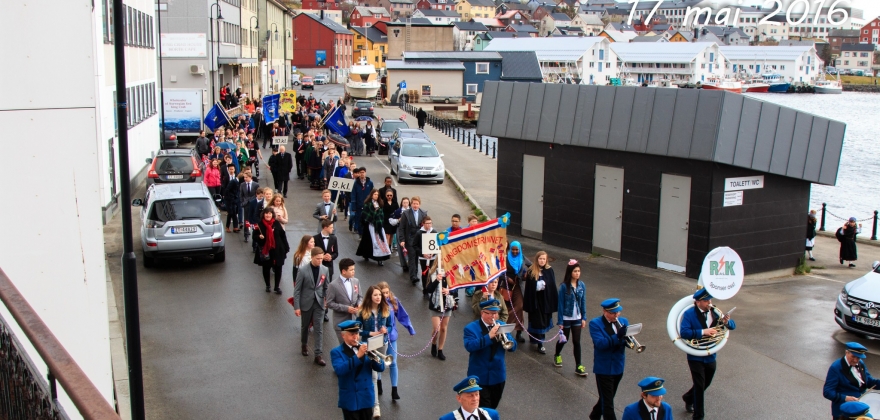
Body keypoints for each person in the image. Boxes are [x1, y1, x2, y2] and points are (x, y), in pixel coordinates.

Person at [680, 289, 737, 420]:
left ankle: (688, 397)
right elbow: (684, 332)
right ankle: (698, 416)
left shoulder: (715, 312)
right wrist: (703, 332)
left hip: (711, 354)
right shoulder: (689, 314)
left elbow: (732, 327)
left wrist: (727, 322)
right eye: (706, 301)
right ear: (698, 302)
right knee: (699, 386)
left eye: (710, 300)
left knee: (706, 382)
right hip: (695, 355)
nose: (709, 303)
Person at [463, 299, 516, 409]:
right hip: (479, 376)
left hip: (498, 376)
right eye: (491, 313)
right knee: (484, 409)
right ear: (483, 313)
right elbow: (470, 346)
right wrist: (489, 337)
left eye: (495, 313)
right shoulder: (471, 328)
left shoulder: (501, 325)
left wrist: (507, 339)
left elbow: (513, 347)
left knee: (493, 407)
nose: (494, 316)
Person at [331, 320, 385, 420]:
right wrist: (358, 356)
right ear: (343, 336)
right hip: (350, 399)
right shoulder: (336, 352)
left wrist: (374, 357)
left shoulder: (365, 346)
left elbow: (381, 368)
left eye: (356, 333)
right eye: (351, 334)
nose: (355, 337)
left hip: (366, 398)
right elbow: (340, 370)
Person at [589, 298, 630, 420]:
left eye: (618, 312)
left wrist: (629, 340)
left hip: (618, 366)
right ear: (604, 311)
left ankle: (595, 415)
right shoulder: (595, 323)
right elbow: (600, 344)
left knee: (607, 396)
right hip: (604, 368)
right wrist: (617, 336)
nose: (616, 315)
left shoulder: (623, 321)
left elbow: (626, 342)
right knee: (608, 404)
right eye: (613, 313)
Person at [356, 285, 392, 419]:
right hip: (368, 344)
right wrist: (371, 333)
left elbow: (390, 325)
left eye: (380, 295)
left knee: (377, 371)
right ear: (370, 297)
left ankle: (372, 400)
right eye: (375, 295)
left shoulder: (385, 309)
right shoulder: (362, 311)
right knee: (373, 376)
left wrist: (385, 330)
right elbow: (357, 329)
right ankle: (376, 406)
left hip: (382, 343)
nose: (378, 297)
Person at [377, 281, 415, 401]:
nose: (384, 296)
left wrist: (410, 328)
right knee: (379, 362)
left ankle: (394, 389)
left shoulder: (393, 301)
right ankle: (378, 383)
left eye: (386, 293)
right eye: (382, 293)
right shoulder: (374, 303)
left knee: (392, 362)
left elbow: (403, 315)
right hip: (378, 337)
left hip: (391, 336)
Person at [824, 342, 880, 419]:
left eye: (858, 358)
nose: (856, 360)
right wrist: (846, 398)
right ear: (846, 352)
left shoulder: (860, 363)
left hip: (859, 410)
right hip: (844, 413)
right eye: (853, 356)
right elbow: (827, 392)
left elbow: (869, 381)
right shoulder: (836, 368)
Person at [294, 248, 330, 366]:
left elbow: (326, 287)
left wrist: (326, 300)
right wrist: (297, 306)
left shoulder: (325, 269)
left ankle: (318, 355)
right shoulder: (303, 270)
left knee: (318, 328)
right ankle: (304, 344)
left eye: (321, 258)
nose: (320, 261)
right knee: (305, 326)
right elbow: (297, 290)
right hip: (306, 302)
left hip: (319, 303)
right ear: (312, 257)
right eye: (318, 258)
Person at [555, 259, 588, 376]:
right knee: (565, 339)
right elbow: (560, 304)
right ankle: (557, 354)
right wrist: (560, 321)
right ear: (570, 272)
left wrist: (584, 317)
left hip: (577, 317)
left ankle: (579, 365)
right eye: (575, 271)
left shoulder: (582, 285)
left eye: (579, 271)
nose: (577, 273)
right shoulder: (564, 287)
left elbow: (583, 302)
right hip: (566, 317)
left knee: (577, 341)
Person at [523, 251, 557, 354]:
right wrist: (536, 286)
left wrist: (546, 286)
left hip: (545, 301)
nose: (542, 261)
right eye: (540, 259)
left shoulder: (549, 270)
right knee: (536, 321)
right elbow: (529, 287)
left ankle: (540, 342)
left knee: (543, 322)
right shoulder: (531, 271)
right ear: (537, 259)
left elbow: (552, 285)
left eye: (544, 259)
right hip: (535, 301)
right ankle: (537, 341)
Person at [252, 208, 289, 294]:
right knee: (266, 268)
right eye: (266, 213)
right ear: (263, 214)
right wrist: (259, 237)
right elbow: (254, 236)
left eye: (269, 213)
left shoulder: (276, 223)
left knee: (278, 268)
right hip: (266, 250)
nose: (268, 215)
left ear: (272, 214)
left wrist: (286, 247)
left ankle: (277, 287)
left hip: (278, 250)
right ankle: (268, 285)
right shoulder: (260, 225)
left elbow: (283, 235)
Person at [326, 258, 363, 342]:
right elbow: (330, 303)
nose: (354, 271)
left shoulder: (356, 281)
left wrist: (359, 304)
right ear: (343, 271)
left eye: (354, 269)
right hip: (341, 322)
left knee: (356, 347)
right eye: (351, 270)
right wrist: (346, 308)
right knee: (345, 349)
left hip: (355, 321)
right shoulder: (333, 285)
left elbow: (360, 296)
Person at [355, 189, 391, 266]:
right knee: (369, 242)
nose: (376, 196)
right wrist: (373, 215)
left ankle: (380, 259)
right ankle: (366, 255)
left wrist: (379, 218)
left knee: (380, 241)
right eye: (375, 194)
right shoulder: (367, 204)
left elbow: (381, 215)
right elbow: (365, 215)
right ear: (371, 195)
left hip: (378, 226)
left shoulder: (380, 204)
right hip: (370, 226)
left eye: (377, 195)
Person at [502, 241, 529, 343]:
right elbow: (500, 272)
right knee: (506, 307)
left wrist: (525, 275)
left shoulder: (522, 257)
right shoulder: (505, 258)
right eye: (513, 249)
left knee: (519, 307)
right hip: (507, 286)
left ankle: (518, 331)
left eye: (516, 249)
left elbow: (531, 267)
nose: (514, 251)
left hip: (518, 286)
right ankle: (504, 329)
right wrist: (507, 279)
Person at [427, 270, 456, 361]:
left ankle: (440, 349)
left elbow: (456, 290)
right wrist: (436, 280)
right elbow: (429, 289)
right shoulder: (433, 274)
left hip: (447, 305)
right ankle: (434, 343)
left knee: (443, 328)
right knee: (437, 329)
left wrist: (449, 291)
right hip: (436, 305)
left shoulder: (451, 273)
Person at [398, 196, 426, 284]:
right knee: (412, 256)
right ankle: (413, 276)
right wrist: (402, 239)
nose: (415, 205)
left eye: (417, 204)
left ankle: (415, 273)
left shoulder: (423, 213)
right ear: (411, 204)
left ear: (419, 204)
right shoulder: (406, 213)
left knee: (417, 256)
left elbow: (427, 226)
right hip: (410, 238)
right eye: (414, 203)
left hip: (420, 238)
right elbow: (401, 228)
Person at [414, 216, 439, 296]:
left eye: (430, 223)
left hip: (432, 257)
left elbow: (437, 245)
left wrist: (433, 253)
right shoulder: (419, 233)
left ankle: (431, 288)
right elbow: (414, 245)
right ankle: (425, 290)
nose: (429, 225)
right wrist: (422, 253)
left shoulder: (434, 232)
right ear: (423, 224)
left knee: (432, 273)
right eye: (427, 223)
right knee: (425, 273)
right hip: (423, 258)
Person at [314, 219, 339, 285]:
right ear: (325, 228)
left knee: (328, 288)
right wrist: (322, 257)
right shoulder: (315, 238)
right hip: (318, 267)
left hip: (329, 268)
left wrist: (331, 257)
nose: (333, 229)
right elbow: (312, 253)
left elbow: (336, 253)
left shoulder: (334, 238)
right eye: (331, 227)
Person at [350, 168, 374, 234]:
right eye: (360, 172)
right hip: (358, 205)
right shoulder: (356, 183)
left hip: (367, 205)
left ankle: (365, 233)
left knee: (367, 220)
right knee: (359, 219)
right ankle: (360, 233)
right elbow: (353, 195)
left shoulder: (370, 183)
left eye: (363, 172)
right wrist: (353, 207)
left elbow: (372, 194)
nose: (362, 174)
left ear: (365, 173)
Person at [222, 164, 241, 233]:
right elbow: (224, 187)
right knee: (231, 212)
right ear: (228, 170)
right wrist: (224, 195)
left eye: (232, 169)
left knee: (233, 212)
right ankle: (233, 227)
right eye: (230, 169)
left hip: (235, 197)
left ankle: (232, 227)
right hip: (228, 198)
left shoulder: (237, 177)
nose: (231, 170)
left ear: (234, 169)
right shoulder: (226, 178)